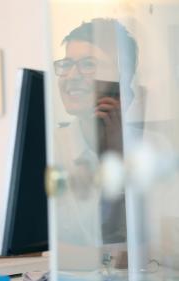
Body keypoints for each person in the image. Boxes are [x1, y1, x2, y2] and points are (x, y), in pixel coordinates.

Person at [52, 18, 139, 249]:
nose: (71, 76)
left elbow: (156, 247)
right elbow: (42, 247)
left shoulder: (154, 147)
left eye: (88, 65)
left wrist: (116, 160)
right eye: (66, 64)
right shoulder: (50, 147)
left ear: (121, 82)